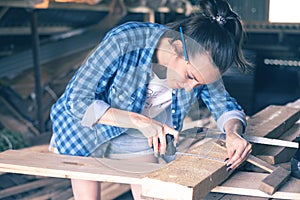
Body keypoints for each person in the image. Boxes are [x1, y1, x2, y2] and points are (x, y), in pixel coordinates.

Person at [49, 0, 252, 199]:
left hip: (137, 132)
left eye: (200, 84)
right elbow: (76, 101)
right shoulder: (125, 41)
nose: (192, 88)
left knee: (150, 193)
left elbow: (224, 105)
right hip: (84, 127)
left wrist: (233, 133)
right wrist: (141, 121)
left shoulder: (201, 66)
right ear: (177, 48)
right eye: (190, 77)